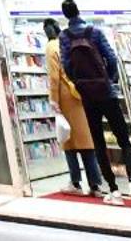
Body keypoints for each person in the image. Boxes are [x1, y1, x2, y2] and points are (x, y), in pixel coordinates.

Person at [59, 0, 131, 206]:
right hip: (106, 92)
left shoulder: (64, 37)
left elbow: (67, 65)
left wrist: (78, 84)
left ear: (65, 15)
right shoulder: (94, 32)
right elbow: (112, 57)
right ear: (79, 10)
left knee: (98, 142)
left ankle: (113, 190)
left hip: (88, 96)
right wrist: (110, 80)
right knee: (123, 139)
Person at [46, 16, 104, 195]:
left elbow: (54, 76)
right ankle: (95, 184)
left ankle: (75, 183)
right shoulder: (66, 41)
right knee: (87, 141)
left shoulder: (50, 47)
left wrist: (53, 99)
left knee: (68, 141)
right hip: (80, 92)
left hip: (65, 96)